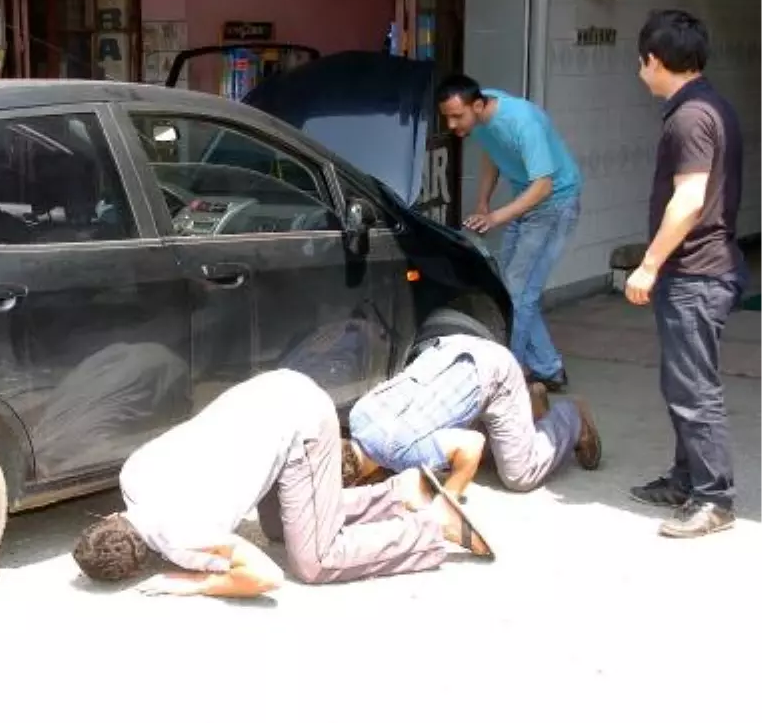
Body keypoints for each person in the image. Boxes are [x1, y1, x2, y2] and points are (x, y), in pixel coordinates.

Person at [71, 369, 494, 598]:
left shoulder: (182, 542)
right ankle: (400, 494)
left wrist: (188, 584)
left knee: (315, 561)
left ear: (140, 563)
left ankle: (432, 527)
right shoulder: (133, 473)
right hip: (270, 389)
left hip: (303, 425)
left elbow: (264, 577)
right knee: (279, 529)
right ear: (111, 516)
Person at [626, 10, 747, 539]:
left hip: (695, 273)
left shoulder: (690, 117)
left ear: (654, 60)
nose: (640, 71)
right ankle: (684, 479)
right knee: (682, 384)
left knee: (694, 389)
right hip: (703, 270)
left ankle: (713, 497)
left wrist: (649, 264)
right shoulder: (711, 104)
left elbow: (691, 198)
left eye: (641, 61)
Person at [436, 74, 583, 392]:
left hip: (554, 205)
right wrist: (483, 203)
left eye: (457, 116)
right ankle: (548, 368)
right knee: (513, 290)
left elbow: (543, 186)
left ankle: (507, 380)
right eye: (446, 117)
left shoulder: (522, 121)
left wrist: (497, 217)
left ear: (477, 105)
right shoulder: (482, 113)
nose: (451, 124)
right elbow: (493, 154)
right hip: (526, 203)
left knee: (517, 294)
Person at [348, 334, 602, 500]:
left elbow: (472, 445)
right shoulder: (357, 415)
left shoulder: (400, 453)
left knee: (519, 475)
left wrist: (448, 501)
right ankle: (529, 404)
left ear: (359, 481)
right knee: (451, 456)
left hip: (494, 372)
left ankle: (572, 417)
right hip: (452, 350)